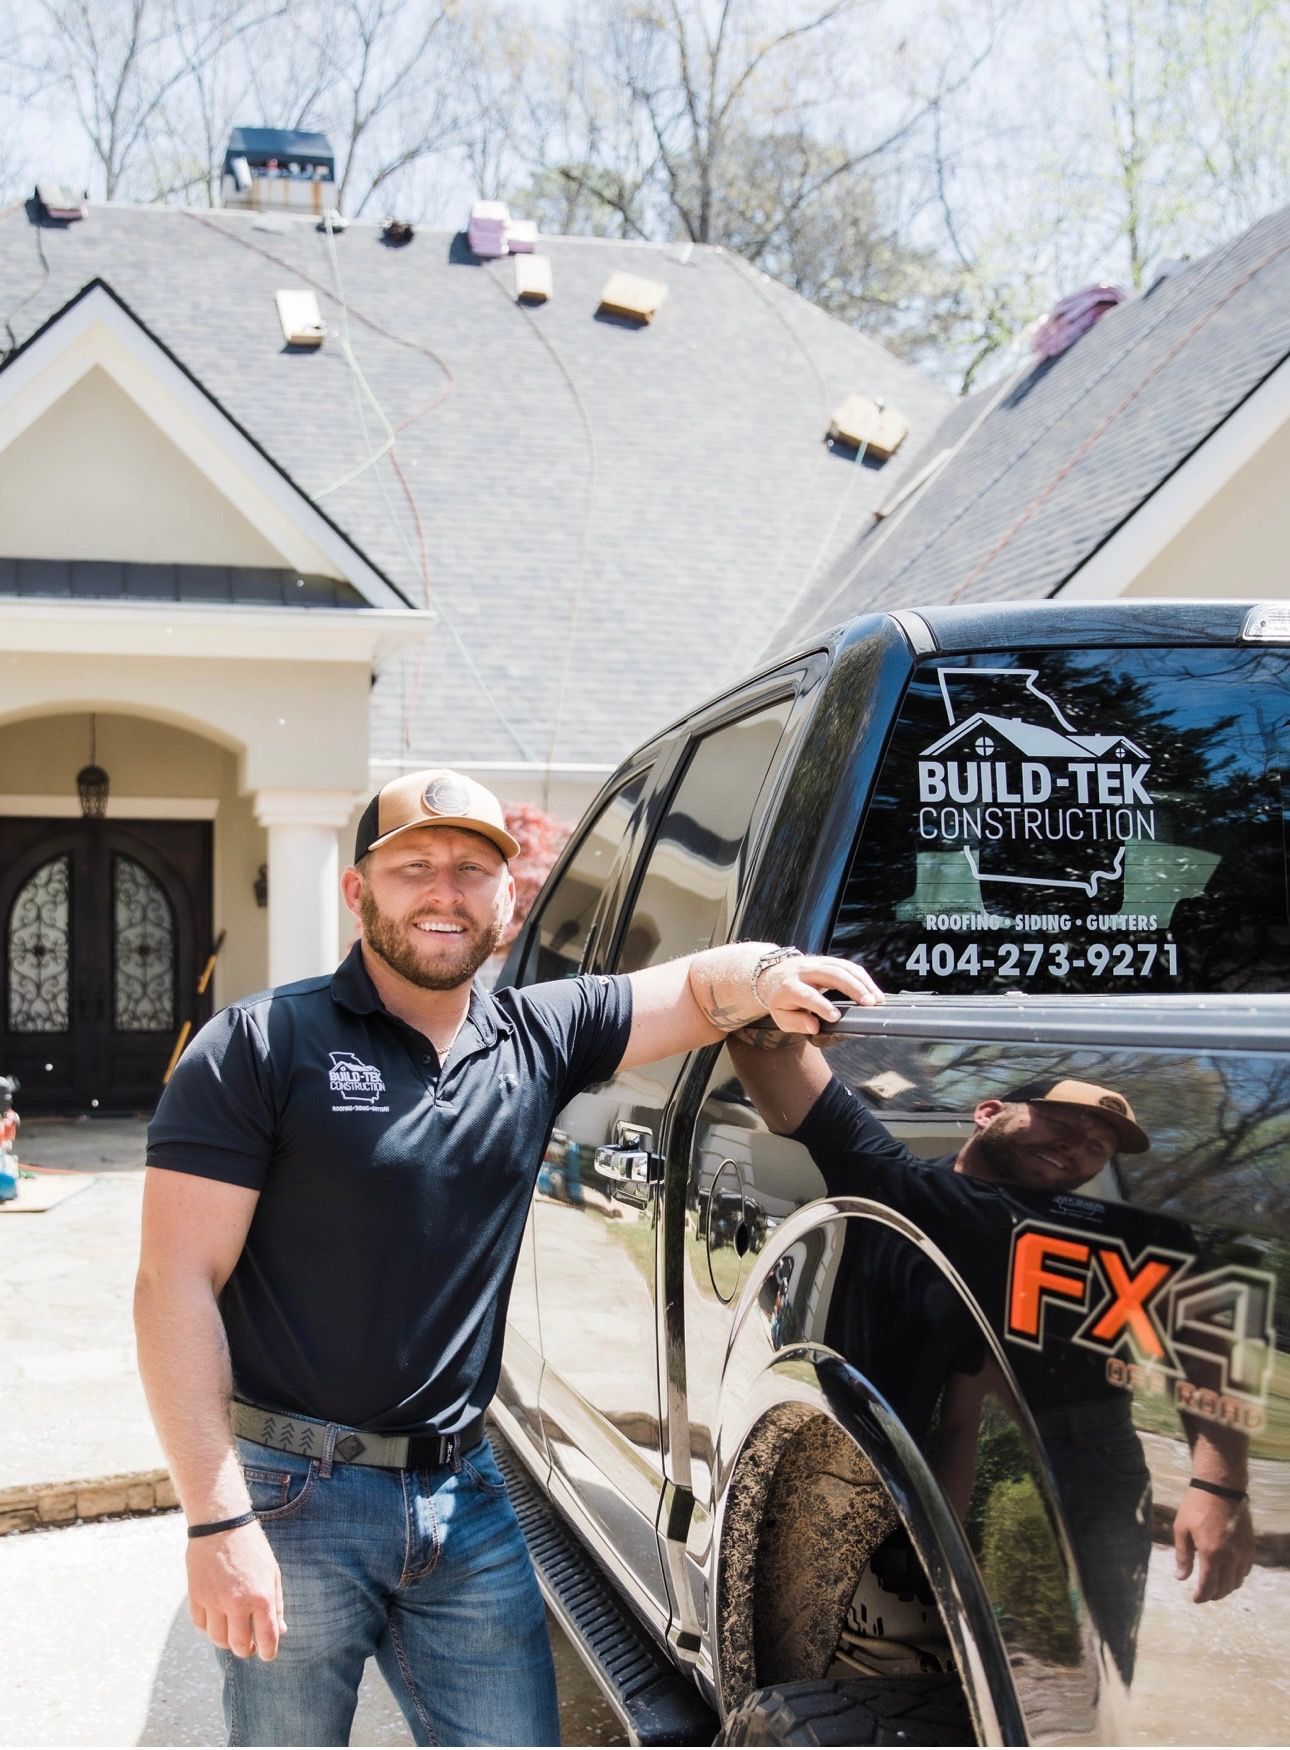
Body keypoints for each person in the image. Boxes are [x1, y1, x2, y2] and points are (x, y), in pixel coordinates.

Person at [134, 768, 881, 1748]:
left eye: (472, 870)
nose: (444, 890)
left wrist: (770, 972)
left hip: (466, 1494)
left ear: (508, 900)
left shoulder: (537, 1035)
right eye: (414, 867)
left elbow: (701, 986)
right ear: (360, 892)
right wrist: (217, 1519)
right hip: (294, 1491)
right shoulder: (260, 1046)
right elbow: (173, 1284)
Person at [728, 1035, 1254, 1684]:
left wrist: (1218, 1486)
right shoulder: (894, 1181)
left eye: (1099, 1146)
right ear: (987, 1112)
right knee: (889, 1665)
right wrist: (769, 1003)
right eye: (1062, 1122)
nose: (1079, 1145)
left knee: (1076, 1670)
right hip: (899, 1454)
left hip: (1086, 1460)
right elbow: (771, 1057)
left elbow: (1205, 1339)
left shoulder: (1122, 1235)